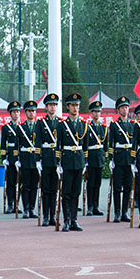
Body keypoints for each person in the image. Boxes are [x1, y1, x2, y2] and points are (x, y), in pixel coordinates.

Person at [57, 93, 88, 232]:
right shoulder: (62, 126)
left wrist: (85, 162)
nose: (75, 108)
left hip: (79, 161)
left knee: (76, 192)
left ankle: (74, 220)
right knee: (66, 192)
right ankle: (66, 220)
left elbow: (85, 146)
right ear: (68, 107)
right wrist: (59, 163)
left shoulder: (84, 125)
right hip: (68, 161)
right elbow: (58, 145)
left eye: (77, 105)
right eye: (73, 105)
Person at [107, 96, 134, 223]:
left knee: (128, 187)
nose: (125, 109)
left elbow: (135, 143)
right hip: (118, 158)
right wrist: (111, 159)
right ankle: (117, 212)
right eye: (123, 107)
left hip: (129, 158)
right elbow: (110, 143)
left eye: (127, 107)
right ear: (118, 110)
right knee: (117, 187)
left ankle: (125, 211)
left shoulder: (133, 125)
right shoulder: (114, 125)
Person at [38, 93, 61, 226]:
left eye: (55, 105)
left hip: (56, 160)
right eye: (50, 105)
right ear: (46, 107)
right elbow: (37, 142)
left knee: (54, 189)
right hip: (46, 159)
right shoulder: (41, 123)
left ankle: (53, 215)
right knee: (46, 189)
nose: (53, 107)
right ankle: (46, 215)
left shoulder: (61, 122)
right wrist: (37, 160)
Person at [18, 100, 40, 219]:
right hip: (25, 159)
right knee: (25, 185)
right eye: (29, 111)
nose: (32, 113)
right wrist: (17, 159)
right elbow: (17, 145)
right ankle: (25, 208)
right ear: (25, 112)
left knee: (34, 185)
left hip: (35, 160)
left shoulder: (39, 127)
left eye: (33, 111)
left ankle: (32, 208)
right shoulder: (21, 128)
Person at [86, 100, 108, 216]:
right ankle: (89, 206)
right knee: (91, 183)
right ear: (91, 113)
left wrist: (104, 159)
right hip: (91, 158)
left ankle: (96, 206)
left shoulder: (104, 128)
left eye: (99, 112)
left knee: (98, 184)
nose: (97, 114)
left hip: (99, 159)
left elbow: (105, 147)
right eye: (95, 112)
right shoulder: (87, 127)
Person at [0, 100, 21, 214]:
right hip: (11, 158)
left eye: (17, 111)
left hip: (21, 157)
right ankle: (10, 204)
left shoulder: (23, 127)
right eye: (13, 112)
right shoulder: (6, 128)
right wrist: (4, 159)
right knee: (11, 182)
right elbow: (3, 145)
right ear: (10, 114)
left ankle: (17, 204)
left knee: (20, 182)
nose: (16, 114)